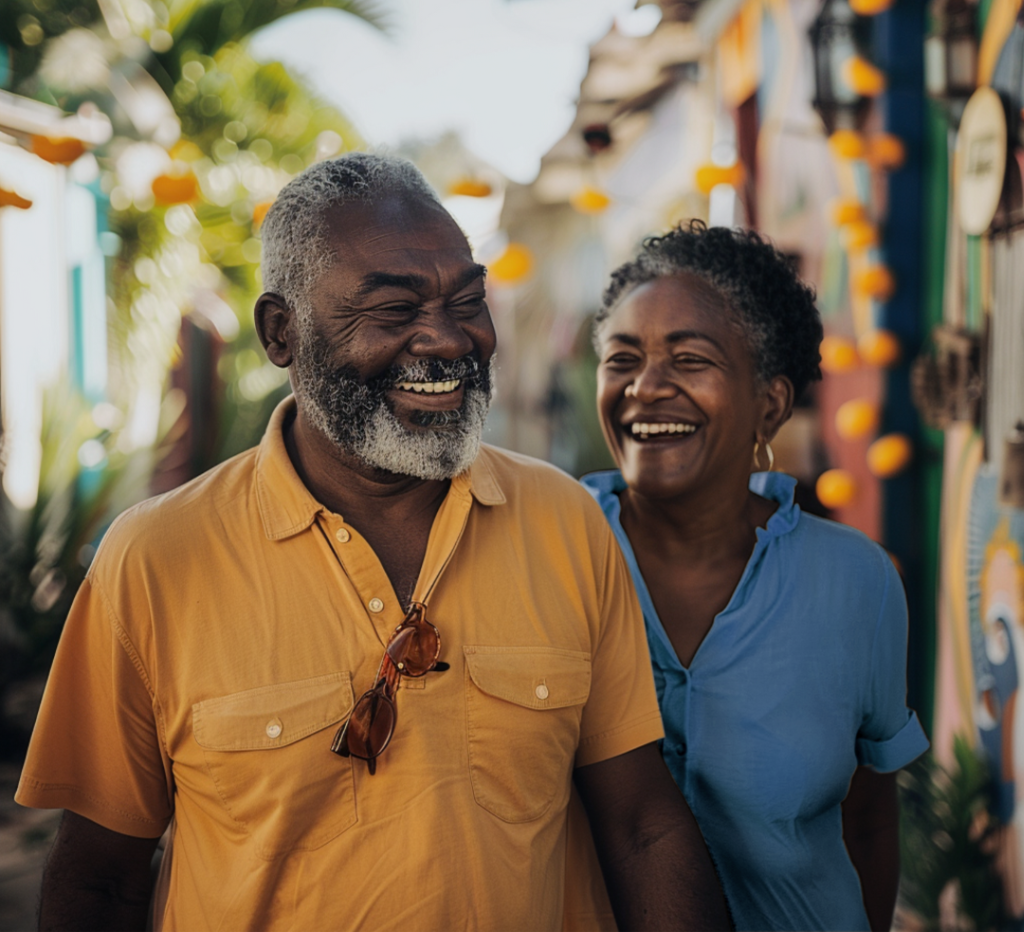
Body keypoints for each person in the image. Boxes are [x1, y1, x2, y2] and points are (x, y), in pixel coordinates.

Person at [16, 155, 730, 932]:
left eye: (468, 301)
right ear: (281, 333)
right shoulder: (155, 560)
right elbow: (98, 881)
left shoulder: (565, 522)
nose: (449, 340)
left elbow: (641, 826)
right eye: (393, 310)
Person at [582, 220, 929, 932]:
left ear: (769, 402)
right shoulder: (548, 551)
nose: (646, 388)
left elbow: (867, 822)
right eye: (623, 358)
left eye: (690, 359)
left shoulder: (854, 582)